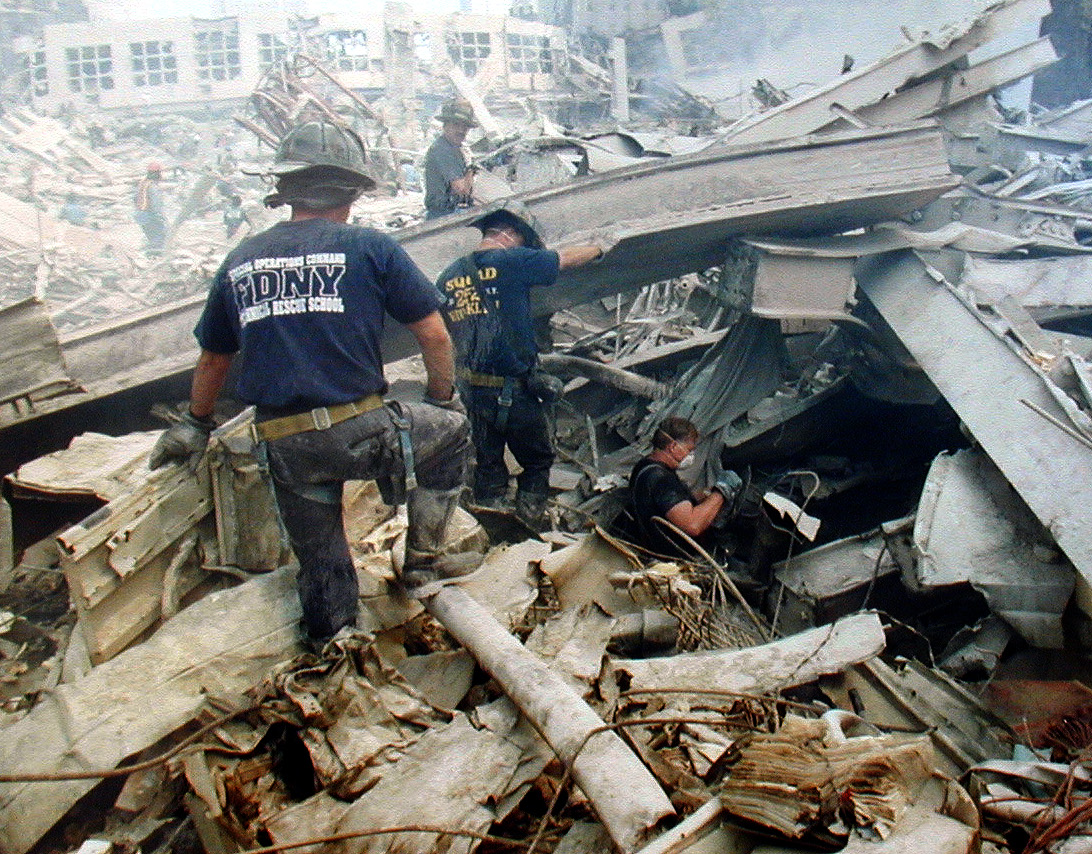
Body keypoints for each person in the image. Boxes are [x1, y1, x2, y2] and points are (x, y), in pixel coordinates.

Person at [149, 121, 472, 650]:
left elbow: (213, 359)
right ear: (352, 192)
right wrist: (443, 401)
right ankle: (421, 564)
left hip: (285, 444)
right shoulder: (370, 247)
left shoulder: (241, 259)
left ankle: (333, 648)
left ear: (286, 193)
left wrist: (195, 424)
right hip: (364, 430)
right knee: (451, 433)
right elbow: (434, 337)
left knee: (322, 566)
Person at [433, 200, 605, 528]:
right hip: (513, 390)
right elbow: (564, 260)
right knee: (538, 461)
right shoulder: (512, 260)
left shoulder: (449, 275)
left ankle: (491, 524)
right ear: (511, 234)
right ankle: (527, 525)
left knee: (486, 463)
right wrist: (599, 247)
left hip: (471, 390)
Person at [627, 416, 742, 557]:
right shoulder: (661, 478)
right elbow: (693, 525)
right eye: (689, 450)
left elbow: (669, 503)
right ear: (673, 446)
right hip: (672, 558)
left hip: (653, 548)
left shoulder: (644, 466)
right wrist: (721, 492)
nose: (691, 455)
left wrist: (706, 495)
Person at [423, 100, 477, 219]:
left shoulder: (455, 149)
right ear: (445, 126)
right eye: (456, 125)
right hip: (443, 216)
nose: (461, 130)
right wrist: (472, 169)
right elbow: (461, 189)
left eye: (465, 127)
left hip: (452, 212)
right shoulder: (442, 150)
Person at [134, 162, 168, 256]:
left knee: (151, 236)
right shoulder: (153, 186)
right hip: (149, 216)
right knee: (159, 238)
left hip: (140, 215)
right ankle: (155, 257)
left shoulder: (142, 183)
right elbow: (156, 205)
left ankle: (150, 255)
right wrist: (161, 217)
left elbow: (134, 198)